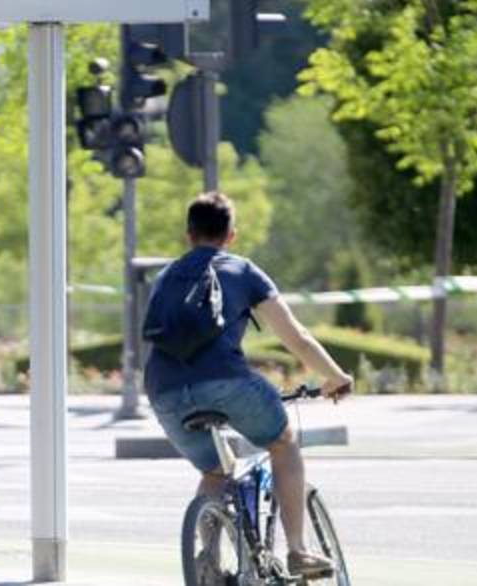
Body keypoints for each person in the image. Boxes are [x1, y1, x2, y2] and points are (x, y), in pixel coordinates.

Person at [143, 191, 353, 579]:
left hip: (163, 391)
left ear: (188, 234)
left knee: (214, 471)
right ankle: (298, 551)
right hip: (226, 382)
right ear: (231, 235)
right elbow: (297, 337)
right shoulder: (243, 271)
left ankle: (206, 555)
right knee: (283, 440)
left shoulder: (164, 278)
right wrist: (335, 376)